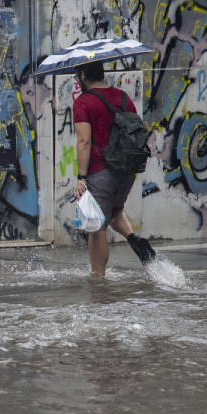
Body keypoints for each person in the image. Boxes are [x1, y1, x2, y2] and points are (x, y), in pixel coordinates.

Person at [72, 60, 155, 277]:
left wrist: (81, 178)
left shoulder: (83, 102)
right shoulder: (124, 98)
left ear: (82, 75)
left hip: (100, 172)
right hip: (126, 172)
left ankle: (98, 281)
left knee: (96, 227)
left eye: (77, 76)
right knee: (114, 210)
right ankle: (133, 239)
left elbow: (84, 141)